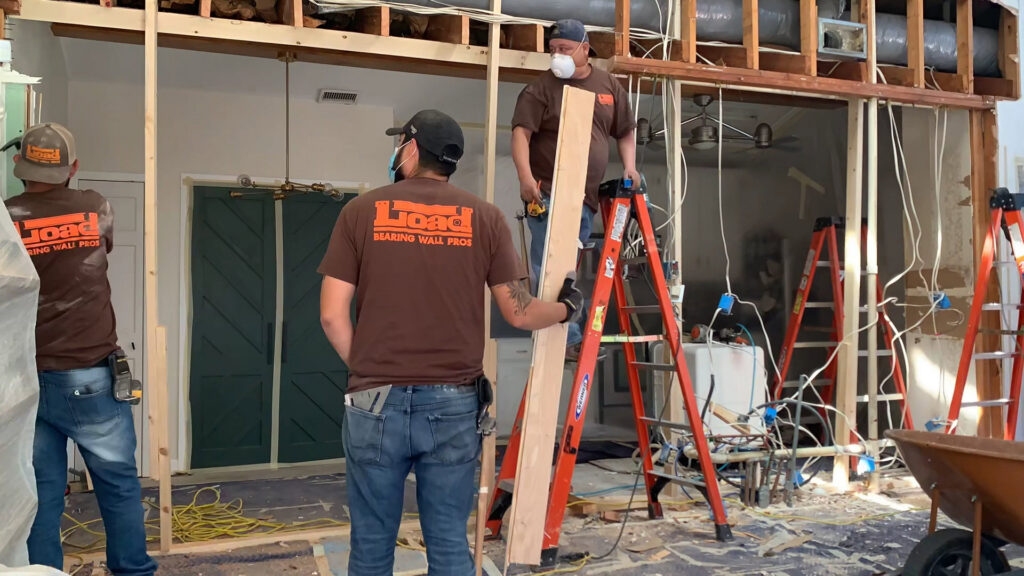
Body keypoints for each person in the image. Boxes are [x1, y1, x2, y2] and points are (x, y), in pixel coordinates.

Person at [319, 109, 582, 576]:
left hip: (373, 402)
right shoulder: (485, 218)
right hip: (454, 406)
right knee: (447, 539)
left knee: (372, 541)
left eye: (399, 143)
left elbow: (331, 314)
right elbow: (519, 311)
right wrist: (566, 308)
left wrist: (366, 372)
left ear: (412, 148)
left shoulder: (360, 212)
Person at [5, 123, 156, 576]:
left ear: (17, 165)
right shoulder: (95, 207)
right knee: (118, 487)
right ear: (73, 168)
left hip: (25, 379)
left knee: (40, 494)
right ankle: (132, 571)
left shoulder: (5, 219)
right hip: (89, 377)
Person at [511, 18, 640, 360]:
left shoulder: (608, 85)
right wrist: (525, 179)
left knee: (567, 268)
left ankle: (568, 334)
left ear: (585, 49)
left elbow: (625, 131)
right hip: (549, 192)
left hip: (584, 199)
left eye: (565, 49)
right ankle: (565, 339)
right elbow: (521, 134)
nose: (558, 56)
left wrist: (630, 167)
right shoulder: (541, 88)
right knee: (548, 266)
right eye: (553, 50)